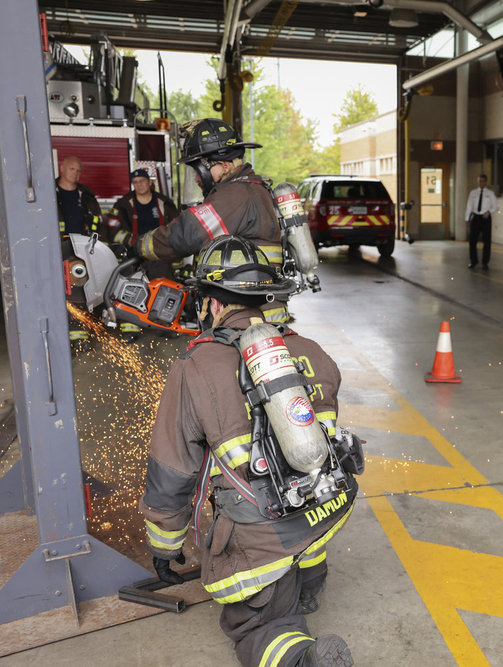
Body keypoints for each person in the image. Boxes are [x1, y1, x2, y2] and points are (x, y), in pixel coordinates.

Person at [141, 235, 359, 667]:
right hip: (328, 505)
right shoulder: (308, 349)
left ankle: (300, 657)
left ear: (214, 305)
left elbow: (173, 470)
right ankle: (311, 582)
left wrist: (165, 547)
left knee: (257, 625)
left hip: (264, 533)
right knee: (298, 510)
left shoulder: (197, 365)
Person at [134, 118, 290, 323]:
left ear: (224, 166)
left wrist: (138, 246)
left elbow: (186, 235)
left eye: (199, 170)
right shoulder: (250, 189)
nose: (198, 179)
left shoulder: (236, 195)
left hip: (247, 315)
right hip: (255, 309)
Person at [55, 156, 103, 351]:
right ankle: (59, 335)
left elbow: (97, 221)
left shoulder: (85, 194)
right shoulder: (48, 192)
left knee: (78, 291)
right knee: (56, 293)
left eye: (78, 170)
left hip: (79, 250)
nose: (75, 173)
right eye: (72, 169)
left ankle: (79, 336)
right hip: (55, 249)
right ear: (62, 168)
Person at [105, 167, 180, 279]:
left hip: (159, 255)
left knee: (161, 288)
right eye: (135, 182)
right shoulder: (123, 204)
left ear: (150, 182)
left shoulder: (164, 203)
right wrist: (131, 240)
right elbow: (111, 229)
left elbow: (177, 227)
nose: (139, 184)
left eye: (142, 181)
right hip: (135, 256)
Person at [464, 174, 498, 270]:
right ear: (477, 182)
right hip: (475, 217)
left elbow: (496, 206)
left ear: (486, 182)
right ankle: (473, 261)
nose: (481, 183)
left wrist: (489, 212)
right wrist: (467, 218)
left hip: (486, 218)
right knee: (472, 240)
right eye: (480, 181)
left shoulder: (490, 193)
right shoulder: (473, 193)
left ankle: (485, 262)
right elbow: (469, 206)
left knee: (486, 241)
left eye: (483, 181)